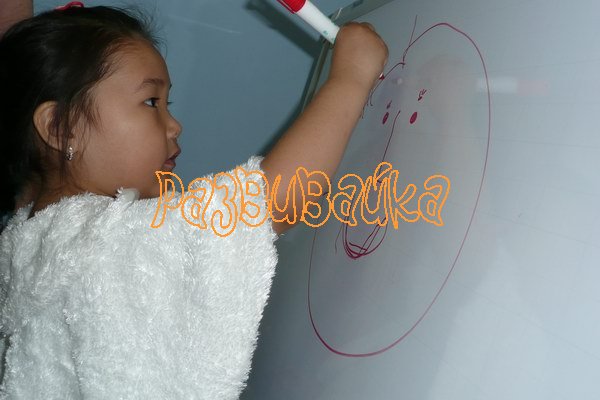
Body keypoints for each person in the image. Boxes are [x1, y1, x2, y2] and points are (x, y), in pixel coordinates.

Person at [0, 1, 387, 398]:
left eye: (167, 104)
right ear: (59, 128)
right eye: (151, 102)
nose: (174, 125)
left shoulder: (24, 243)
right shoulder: (101, 242)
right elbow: (268, 201)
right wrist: (351, 78)